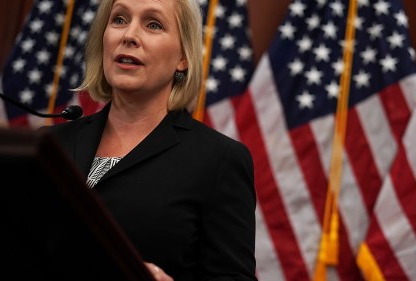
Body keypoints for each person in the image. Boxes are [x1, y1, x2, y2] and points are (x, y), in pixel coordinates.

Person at [44, 0, 257, 280]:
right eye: (119, 19)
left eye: (153, 24)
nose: (129, 35)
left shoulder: (219, 160)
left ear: (183, 57)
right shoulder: (49, 145)